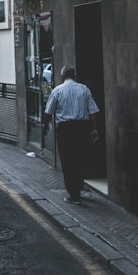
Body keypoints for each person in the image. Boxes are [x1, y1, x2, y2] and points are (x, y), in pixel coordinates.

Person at [43, 64, 100, 204]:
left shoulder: (57, 90)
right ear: (75, 76)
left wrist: (45, 127)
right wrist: (94, 129)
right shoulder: (84, 89)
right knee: (80, 158)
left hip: (65, 130)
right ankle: (78, 188)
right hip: (82, 128)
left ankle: (74, 194)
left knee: (68, 161)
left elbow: (48, 112)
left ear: (62, 76)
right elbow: (92, 110)